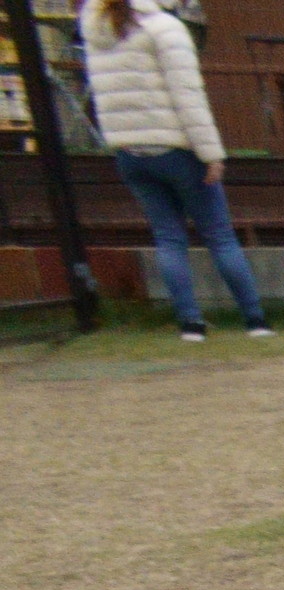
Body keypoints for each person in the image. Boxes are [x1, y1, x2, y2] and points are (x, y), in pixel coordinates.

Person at [83, 0, 269, 340]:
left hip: (129, 151)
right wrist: (211, 153)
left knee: (168, 238)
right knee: (219, 236)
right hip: (177, 149)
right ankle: (255, 320)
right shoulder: (165, 29)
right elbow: (188, 97)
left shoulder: (98, 27)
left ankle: (190, 324)